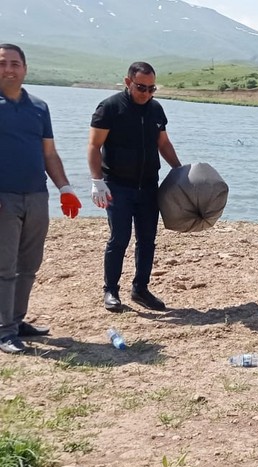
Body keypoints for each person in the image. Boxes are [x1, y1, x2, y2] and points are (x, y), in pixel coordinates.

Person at [0, 43, 82, 354]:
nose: (9, 69)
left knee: (29, 264)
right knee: (4, 266)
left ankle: (16, 320)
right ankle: (4, 331)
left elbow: (49, 153)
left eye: (15, 63)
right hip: (3, 198)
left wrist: (65, 188)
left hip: (36, 195)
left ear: (25, 68)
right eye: (3, 63)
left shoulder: (39, 106)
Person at [88, 61, 182, 312]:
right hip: (117, 185)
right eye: (142, 87)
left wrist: (180, 171)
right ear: (127, 82)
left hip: (149, 186)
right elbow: (94, 146)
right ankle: (111, 291)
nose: (147, 93)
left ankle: (141, 289)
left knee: (147, 240)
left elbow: (163, 144)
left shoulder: (155, 110)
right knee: (119, 238)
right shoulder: (109, 108)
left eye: (152, 89)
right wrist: (97, 182)